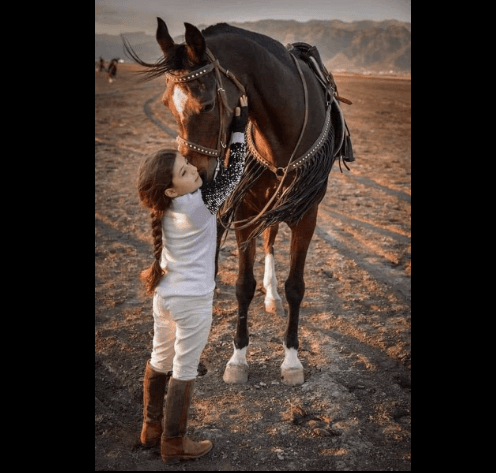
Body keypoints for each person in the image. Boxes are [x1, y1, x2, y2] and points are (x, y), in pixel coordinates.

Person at [137, 95, 248, 463]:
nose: (195, 171)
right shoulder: (203, 205)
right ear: (171, 189)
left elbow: (205, 177)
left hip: (164, 296)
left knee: (159, 358)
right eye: (185, 172)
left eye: (188, 163)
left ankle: (150, 427)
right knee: (184, 368)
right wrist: (239, 127)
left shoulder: (162, 207)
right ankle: (174, 442)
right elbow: (235, 170)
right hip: (193, 302)